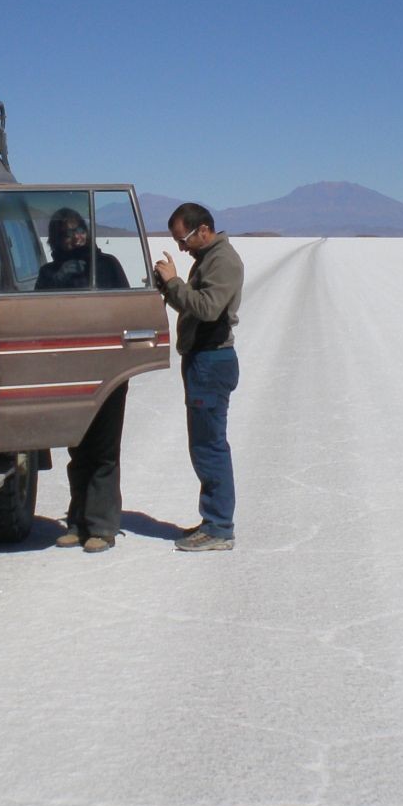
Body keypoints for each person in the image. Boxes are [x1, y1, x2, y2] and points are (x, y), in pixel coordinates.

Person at [36, 208, 129, 553]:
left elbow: (126, 309)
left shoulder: (107, 266)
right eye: (66, 233)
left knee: (104, 448)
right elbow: (40, 316)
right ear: (55, 239)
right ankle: (78, 521)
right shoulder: (49, 272)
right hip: (69, 370)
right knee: (78, 447)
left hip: (107, 367)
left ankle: (102, 527)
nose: (74, 237)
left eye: (78, 231)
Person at [153, 203, 244, 551]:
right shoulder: (208, 260)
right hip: (203, 360)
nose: (182, 247)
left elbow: (207, 308)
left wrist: (175, 281)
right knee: (204, 443)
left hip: (212, 361)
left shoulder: (224, 261)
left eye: (184, 239)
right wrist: (170, 287)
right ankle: (214, 520)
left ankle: (219, 527)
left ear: (203, 229)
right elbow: (194, 306)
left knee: (209, 446)